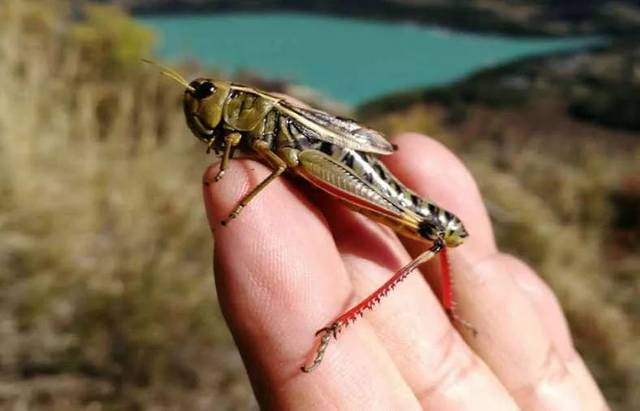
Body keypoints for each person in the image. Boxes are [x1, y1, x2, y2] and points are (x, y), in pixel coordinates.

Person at [202, 132, 608, 410]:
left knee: (431, 233)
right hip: (328, 162)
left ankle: (344, 323)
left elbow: (276, 163)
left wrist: (239, 198)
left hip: (360, 181)